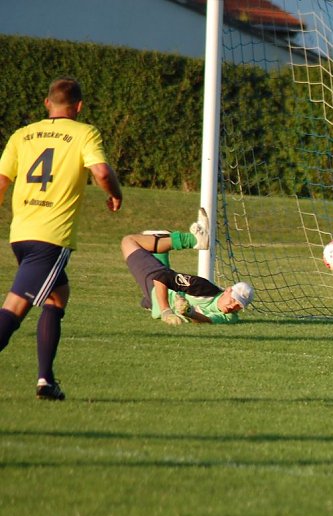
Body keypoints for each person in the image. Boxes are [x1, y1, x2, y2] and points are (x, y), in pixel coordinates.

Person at [0, 77, 123, 401]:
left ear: (46, 103)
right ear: (79, 106)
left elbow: (1, 179)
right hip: (51, 237)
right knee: (14, 307)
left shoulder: (22, 135)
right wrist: (115, 194)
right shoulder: (84, 133)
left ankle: (46, 381)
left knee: (57, 296)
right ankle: (44, 380)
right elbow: (102, 172)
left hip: (21, 234)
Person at [121, 208, 254, 326]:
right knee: (129, 241)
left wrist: (189, 313)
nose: (232, 307)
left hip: (154, 300)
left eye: (238, 306)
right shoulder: (203, 288)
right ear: (227, 290)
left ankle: (162, 239)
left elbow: (208, 320)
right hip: (157, 291)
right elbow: (161, 277)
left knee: (153, 249)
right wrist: (166, 311)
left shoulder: (231, 317)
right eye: (233, 300)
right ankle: (192, 240)